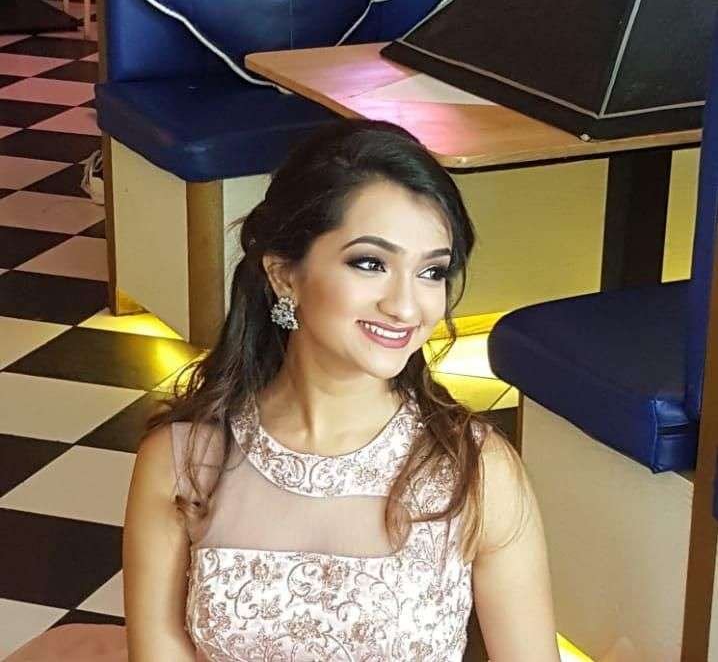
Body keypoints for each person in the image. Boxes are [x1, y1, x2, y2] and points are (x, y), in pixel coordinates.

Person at [6, 119, 560, 662]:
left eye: (431, 272)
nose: (406, 306)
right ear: (283, 274)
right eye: (371, 263)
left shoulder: (474, 469)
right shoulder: (183, 461)